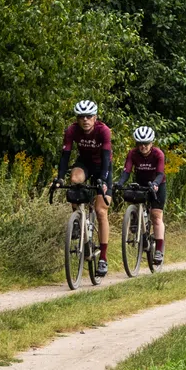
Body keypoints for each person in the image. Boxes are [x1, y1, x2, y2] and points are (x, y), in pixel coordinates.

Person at [57, 99, 113, 277]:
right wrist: (59, 177)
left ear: (95, 117)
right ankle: (77, 220)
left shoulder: (103, 131)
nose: (85, 120)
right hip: (85, 164)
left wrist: (103, 180)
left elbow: (106, 158)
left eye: (89, 116)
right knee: (74, 179)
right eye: (81, 117)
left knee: (101, 211)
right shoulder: (72, 130)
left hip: (103, 167)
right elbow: (65, 155)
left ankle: (103, 258)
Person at [122, 125, 168, 265]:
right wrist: (119, 183)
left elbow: (160, 173)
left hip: (158, 185)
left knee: (156, 216)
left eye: (146, 143)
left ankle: (159, 250)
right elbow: (127, 171)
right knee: (134, 202)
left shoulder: (158, 154)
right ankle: (136, 222)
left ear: (151, 143)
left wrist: (155, 184)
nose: (143, 146)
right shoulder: (132, 153)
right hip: (141, 183)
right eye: (140, 144)